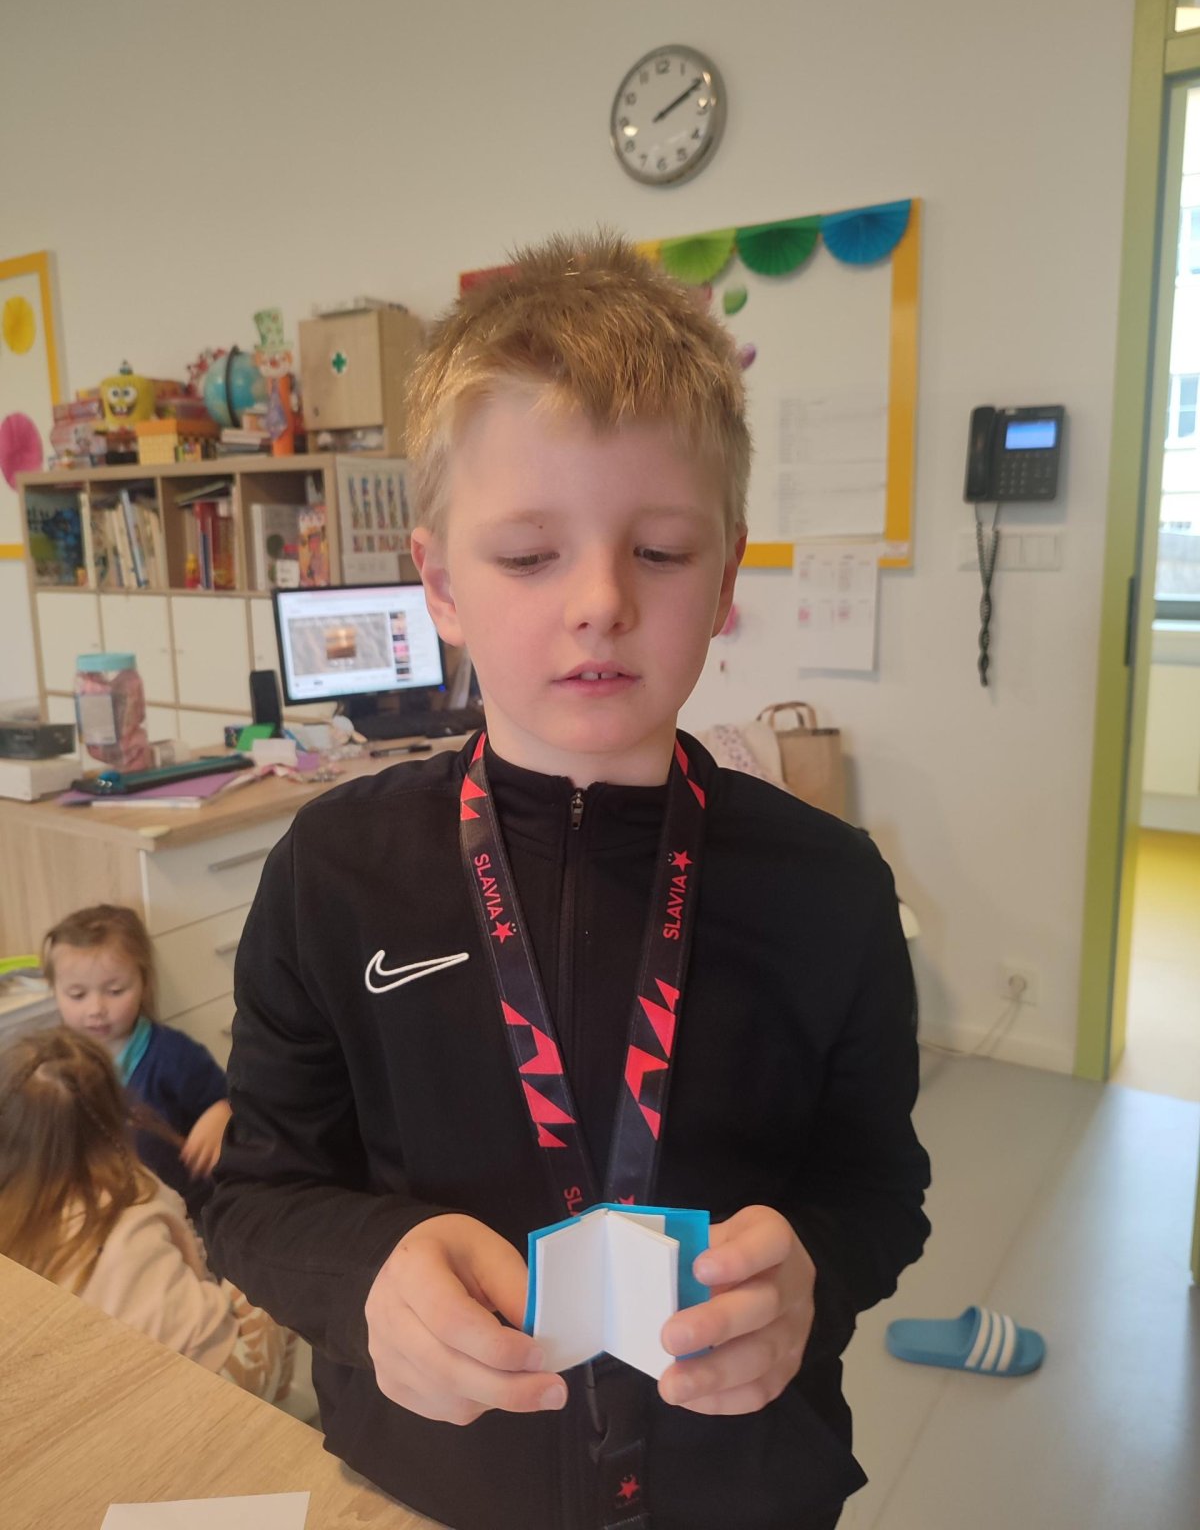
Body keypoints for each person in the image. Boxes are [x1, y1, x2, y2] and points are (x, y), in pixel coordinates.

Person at [205, 232, 931, 1530]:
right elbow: (256, 1197)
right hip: (428, 1486)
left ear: (725, 576)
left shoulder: (832, 889)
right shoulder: (333, 874)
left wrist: (815, 1274)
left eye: (660, 551)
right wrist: (366, 1275)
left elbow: (881, 1190)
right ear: (441, 583)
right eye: (530, 556)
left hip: (742, 1488)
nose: (599, 601)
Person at [0, 1027, 294, 1402]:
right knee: (275, 1258)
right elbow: (195, 1263)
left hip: (103, 1388)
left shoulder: (13, 1213)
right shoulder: (134, 1195)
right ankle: (278, 1403)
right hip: (205, 1386)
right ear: (114, 1113)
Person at [45, 903, 231, 1221]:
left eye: (115, 990)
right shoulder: (53, 1061)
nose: (96, 1008)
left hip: (185, 1209)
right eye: (77, 995)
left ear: (144, 983)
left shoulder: (174, 1055)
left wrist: (219, 1114)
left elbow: (227, 1099)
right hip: (105, 1212)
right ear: (54, 991)